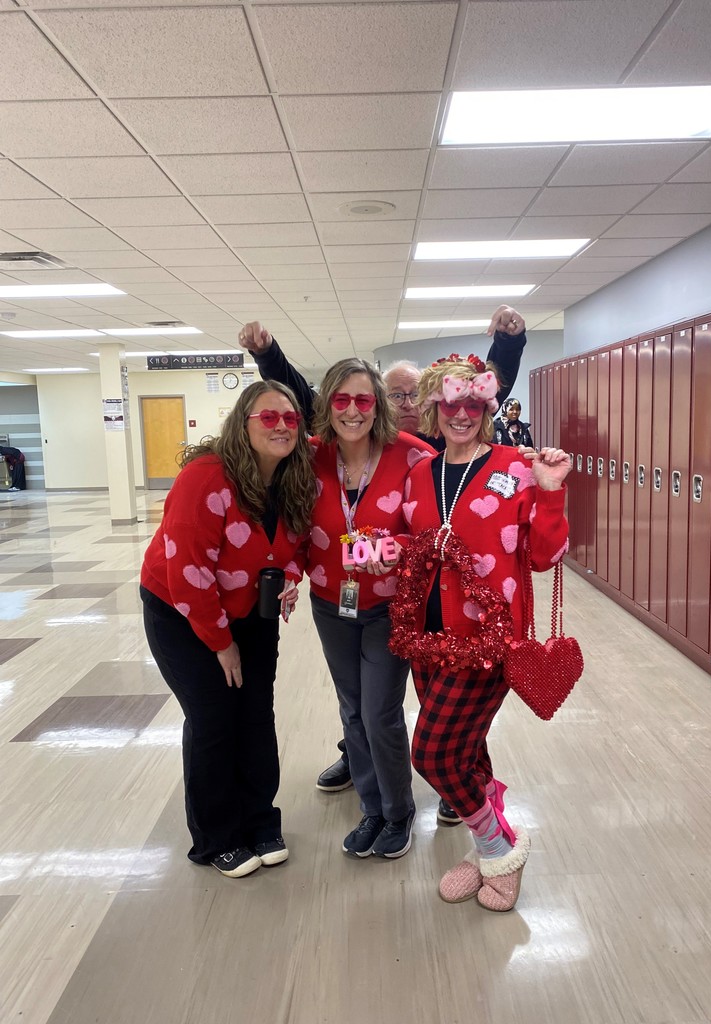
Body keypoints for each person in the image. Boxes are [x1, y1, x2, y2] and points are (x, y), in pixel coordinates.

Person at [240, 306, 530, 815]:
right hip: (344, 602)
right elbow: (305, 409)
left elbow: (475, 400)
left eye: (387, 398)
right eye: (393, 395)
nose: (365, 408)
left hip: (417, 607)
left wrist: (507, 348)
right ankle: (372, 772)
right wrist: (268, 356)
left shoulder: (422, 451)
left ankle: (449, 786)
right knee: (359, 708)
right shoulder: (318, 453)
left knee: (403, 713)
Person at [239, 321, 435, 860]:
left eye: (364, 401)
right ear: (328, 405)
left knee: (379, 714)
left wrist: (391, 549)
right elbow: (297, 527)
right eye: (342, 400)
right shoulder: (312, 455)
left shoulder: (412, 455)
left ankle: (399, 814)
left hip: (390, 609)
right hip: (332, 605)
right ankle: (372, 809)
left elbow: (442, 520)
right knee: (352, 711)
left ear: (379, 407)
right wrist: (293, 574)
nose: (353, 410)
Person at [389, 353, 570, 912]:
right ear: (434, 408)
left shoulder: (516, 466)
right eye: (450, 404)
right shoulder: (420, 474)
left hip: (489, 641)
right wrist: (382, 557)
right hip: (428, 639)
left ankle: (499, 849)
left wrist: (550, 491)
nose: (461, 414)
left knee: (435, 756)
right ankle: (483, 847)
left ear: (486, 406)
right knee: (467, 752)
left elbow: (546, 555)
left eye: (472, 404)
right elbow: (409, 549)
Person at [140, 381, 316, 878]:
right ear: (243, 423)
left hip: (251, 610)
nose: (281, 425)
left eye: (290, 417)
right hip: (182, 612)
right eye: (268, 416)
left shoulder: (294, 477)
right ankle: (216, 836)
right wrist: (221, 644)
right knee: (213, 718)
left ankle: (260, 819)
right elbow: (188, 574)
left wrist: (292, 578)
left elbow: (297, 547)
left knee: (256, 715)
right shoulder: (207, 477)